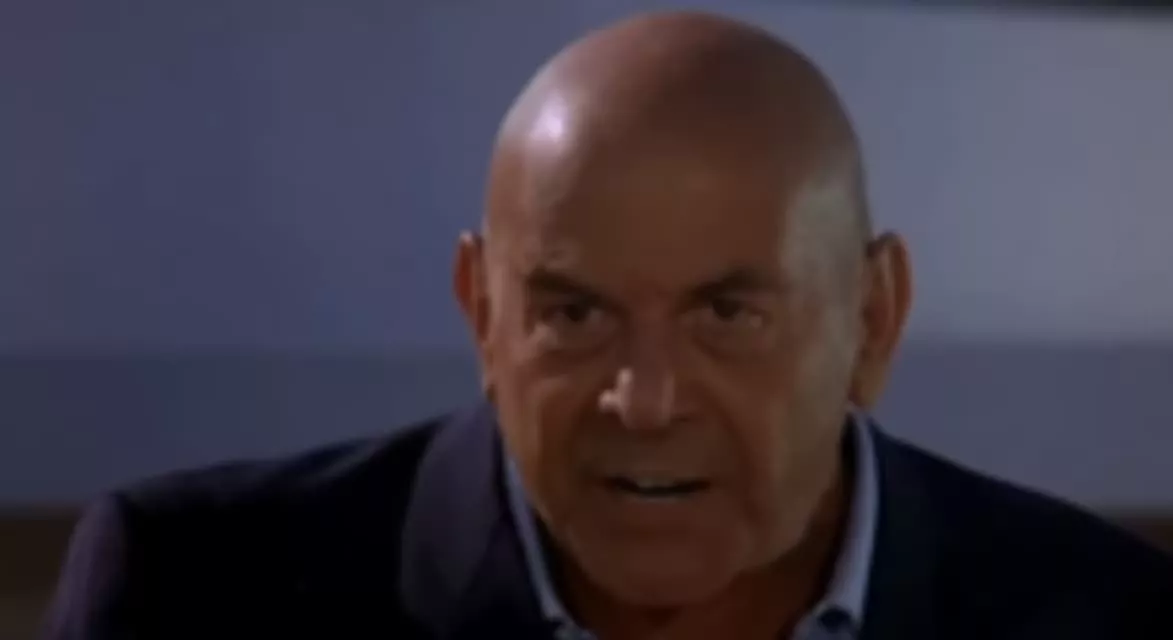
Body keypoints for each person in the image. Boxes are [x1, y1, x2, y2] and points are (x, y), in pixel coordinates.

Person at [43, 10, 1172, 640]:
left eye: (727, 313)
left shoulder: (1111, 619)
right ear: (482, 315)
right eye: (573, 312)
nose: (644, 399)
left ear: (873, 323)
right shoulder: (188, 597)